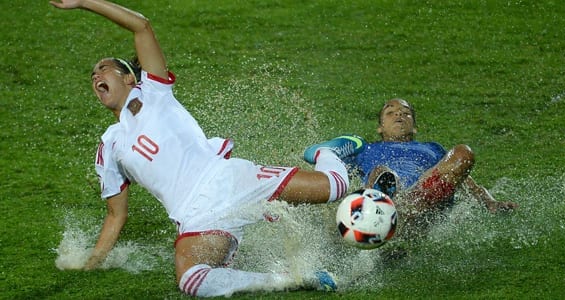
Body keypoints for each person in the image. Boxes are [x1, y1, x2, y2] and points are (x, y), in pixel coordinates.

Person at [50, 0, 367, 297]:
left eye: (104, 69)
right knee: (191, 280)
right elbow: (115, 214)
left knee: (334, 187)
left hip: (228, 178)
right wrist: (93, 261)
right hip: (195, 216)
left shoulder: (153, 91)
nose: (96, 76)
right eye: (92, 75)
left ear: (130, 78)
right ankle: (289, 278)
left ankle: (328, 153)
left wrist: (84, 2)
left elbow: (141, 27)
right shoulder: (109, 145)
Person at [308, 98, 518, 229]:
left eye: (405, 112)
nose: (399, 114)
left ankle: (398, 222)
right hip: (386, 198)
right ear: (380, 127)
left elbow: (465, 180)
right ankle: (391, 221)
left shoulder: (433, 148)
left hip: (425, 196)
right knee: (383, 173)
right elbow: (329, 170)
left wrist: (490, 201)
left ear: (415, 127)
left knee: (463, 153)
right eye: (391, 112)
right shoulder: (365, 149)